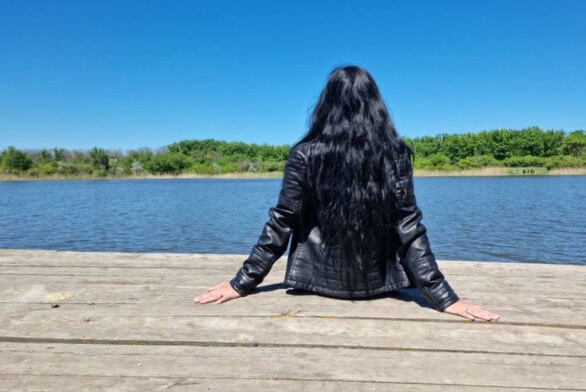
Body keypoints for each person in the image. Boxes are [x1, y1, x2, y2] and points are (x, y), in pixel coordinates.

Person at [194, 65, 500, 322]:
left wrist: (241, 283)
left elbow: (282, 222)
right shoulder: (394, 154)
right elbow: (409, 226)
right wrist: (444, 297)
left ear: (326, 105)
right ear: (375, 105)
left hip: (314, 284)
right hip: (382, 286)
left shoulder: (304, 154)